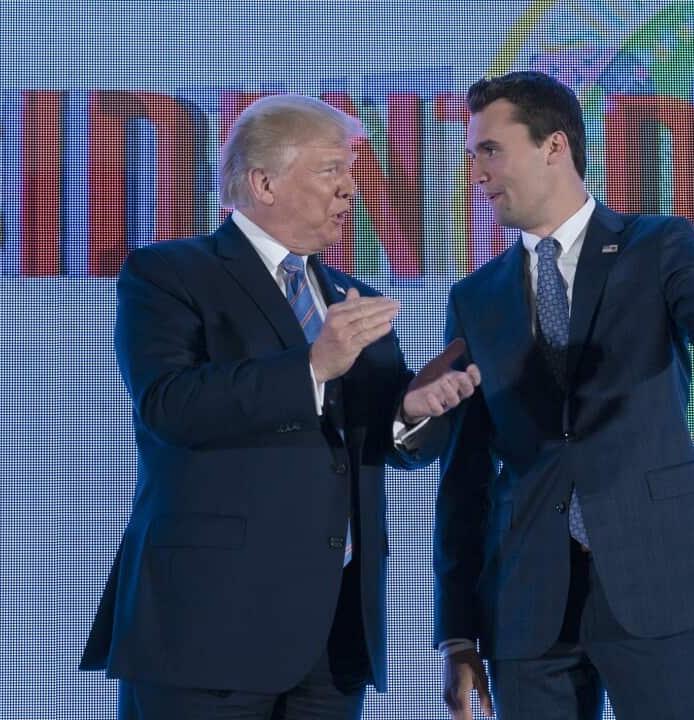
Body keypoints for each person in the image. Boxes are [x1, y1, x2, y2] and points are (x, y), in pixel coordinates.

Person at [80, 94, 481, 720]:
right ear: (264, 182)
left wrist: (411, 411)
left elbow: (377, 444)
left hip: (333, 638)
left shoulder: (355, 298)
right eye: (331, 170)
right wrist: (313, 367)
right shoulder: (170, 274)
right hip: (206, 632)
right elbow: (170, 406)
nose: (351, 188)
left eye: (350, 170)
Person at [434, 71, 694, 720]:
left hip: (658, 579)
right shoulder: (474, 298)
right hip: (527, 608)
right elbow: (462, 481)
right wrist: (459, 634)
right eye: (471, 156)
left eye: (489, 150)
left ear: (554, 147)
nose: (475, 174)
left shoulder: (657, 245)